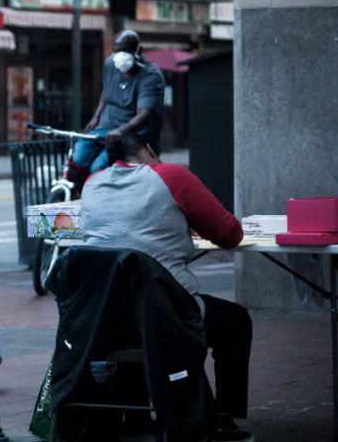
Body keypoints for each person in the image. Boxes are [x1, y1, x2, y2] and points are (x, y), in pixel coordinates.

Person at [80, 132, 253, 442]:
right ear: (148, 150)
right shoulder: (171, 175)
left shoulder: (92, 184)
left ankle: (136, 420)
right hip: (168, 313)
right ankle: (223, 419)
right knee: (235, 321)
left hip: (104, 317)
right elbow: (230, 233)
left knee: (137, 308)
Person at [65, 29, 164, 193]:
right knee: (78, 158)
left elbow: (146, 114)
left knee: (98, 167)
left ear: (137, 51)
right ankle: (76, 196)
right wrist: (96, 118)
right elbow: (107, 91)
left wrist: (121, 131)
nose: (120, 56)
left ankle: (98, 199)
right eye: (118, 50)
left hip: (132, 134)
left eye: (125, 50)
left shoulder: (150, 75)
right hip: (105, 126)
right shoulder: (111, 64)